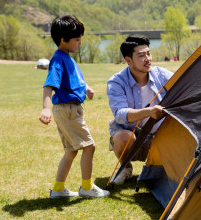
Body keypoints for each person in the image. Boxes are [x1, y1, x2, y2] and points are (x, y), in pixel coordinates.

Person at [38, 15, 109, 199]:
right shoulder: (58, 59)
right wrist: (45, 108)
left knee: (71, 150)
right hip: (67, 109)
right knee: (90, 146)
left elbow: (74, 81)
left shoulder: (67, 58)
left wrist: (86, 89)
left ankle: (58, 189)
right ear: (63, 40)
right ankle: (87, 187)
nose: (80, 43)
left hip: (70, 108)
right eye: (77, 40)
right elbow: (49, 85)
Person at [106, 36, 173, 184]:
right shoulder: (116, 82)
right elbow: (120, 114)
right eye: (141, 55)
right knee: (122, 137)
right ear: (129, 60)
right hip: (133, 138)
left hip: (160, 136)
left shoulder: (161, 74)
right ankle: (125, 168)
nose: (147, 58)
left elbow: (183, 87)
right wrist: (148, 112)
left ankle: (161, 166)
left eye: (148, 53)